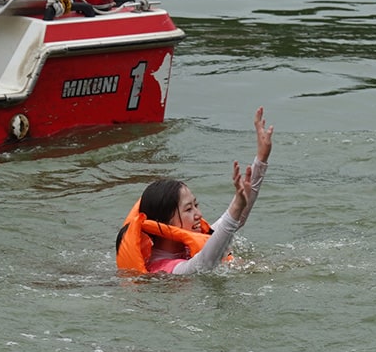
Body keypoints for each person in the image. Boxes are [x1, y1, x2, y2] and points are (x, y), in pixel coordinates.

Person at [116, 106, 273, 275]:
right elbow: (204, 264)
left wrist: (261, 160)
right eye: (188, 209)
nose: (199, 214)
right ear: (163, 223)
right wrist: (236, 207)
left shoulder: (186, 244)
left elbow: (236, 221)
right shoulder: (162, 269)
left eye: (196, 205)